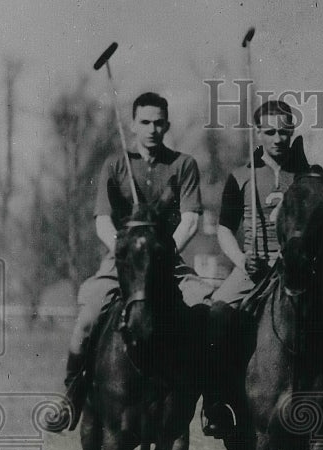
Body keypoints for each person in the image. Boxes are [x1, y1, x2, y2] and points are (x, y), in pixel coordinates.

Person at [45, 91, 207, 432]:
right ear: (133, 125)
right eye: (145, 122)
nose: (152, 129)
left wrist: (162, 256)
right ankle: (71, 393)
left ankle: (212, 399)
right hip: (123, 263)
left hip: (170, 261)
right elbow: (103, 220)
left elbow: (190, 219)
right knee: (88, 317)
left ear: (167, 126)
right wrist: (128, 251)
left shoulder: (183, 165)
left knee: (205, 310)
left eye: (159, 123)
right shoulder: (116, 165)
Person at [210, 99, 305, 306]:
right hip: (255, 268)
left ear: (292, 131)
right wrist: (243, 260)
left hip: (298, 267)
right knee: (217, 308)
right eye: (270, 132)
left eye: (283, 132)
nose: (278, 139)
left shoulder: (305, 177)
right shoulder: (241, 176)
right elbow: (225, 229)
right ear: (258, 133)